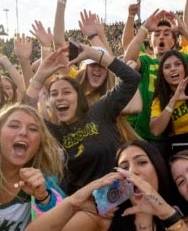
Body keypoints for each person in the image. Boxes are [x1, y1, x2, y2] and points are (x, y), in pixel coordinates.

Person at [21, 140, 188, 231]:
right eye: (124, 167)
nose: (132, 171)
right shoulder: (105, 218)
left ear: (158, 169)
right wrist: (73, 201)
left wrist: (163, 212)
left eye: (142, 162)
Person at [24, 44, 141, 195]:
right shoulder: (53, 132)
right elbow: (24, 115)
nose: (60, 97)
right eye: (54, 94)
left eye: (66, 92)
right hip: (84, 206)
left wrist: (94, 54)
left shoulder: (100, 111)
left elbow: (132, 79)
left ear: (79, 97)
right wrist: (39, 77)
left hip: (121, 195)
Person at [124, 9, 188, 158]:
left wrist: (184, 29)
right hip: (143, 133)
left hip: (173, 136)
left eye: (166, 33)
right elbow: (128, 60)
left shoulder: (182, 60)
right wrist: (144, 28)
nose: (161, 37)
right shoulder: (146, 61)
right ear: (151, 42)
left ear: (174, 41)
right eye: (156, 34)